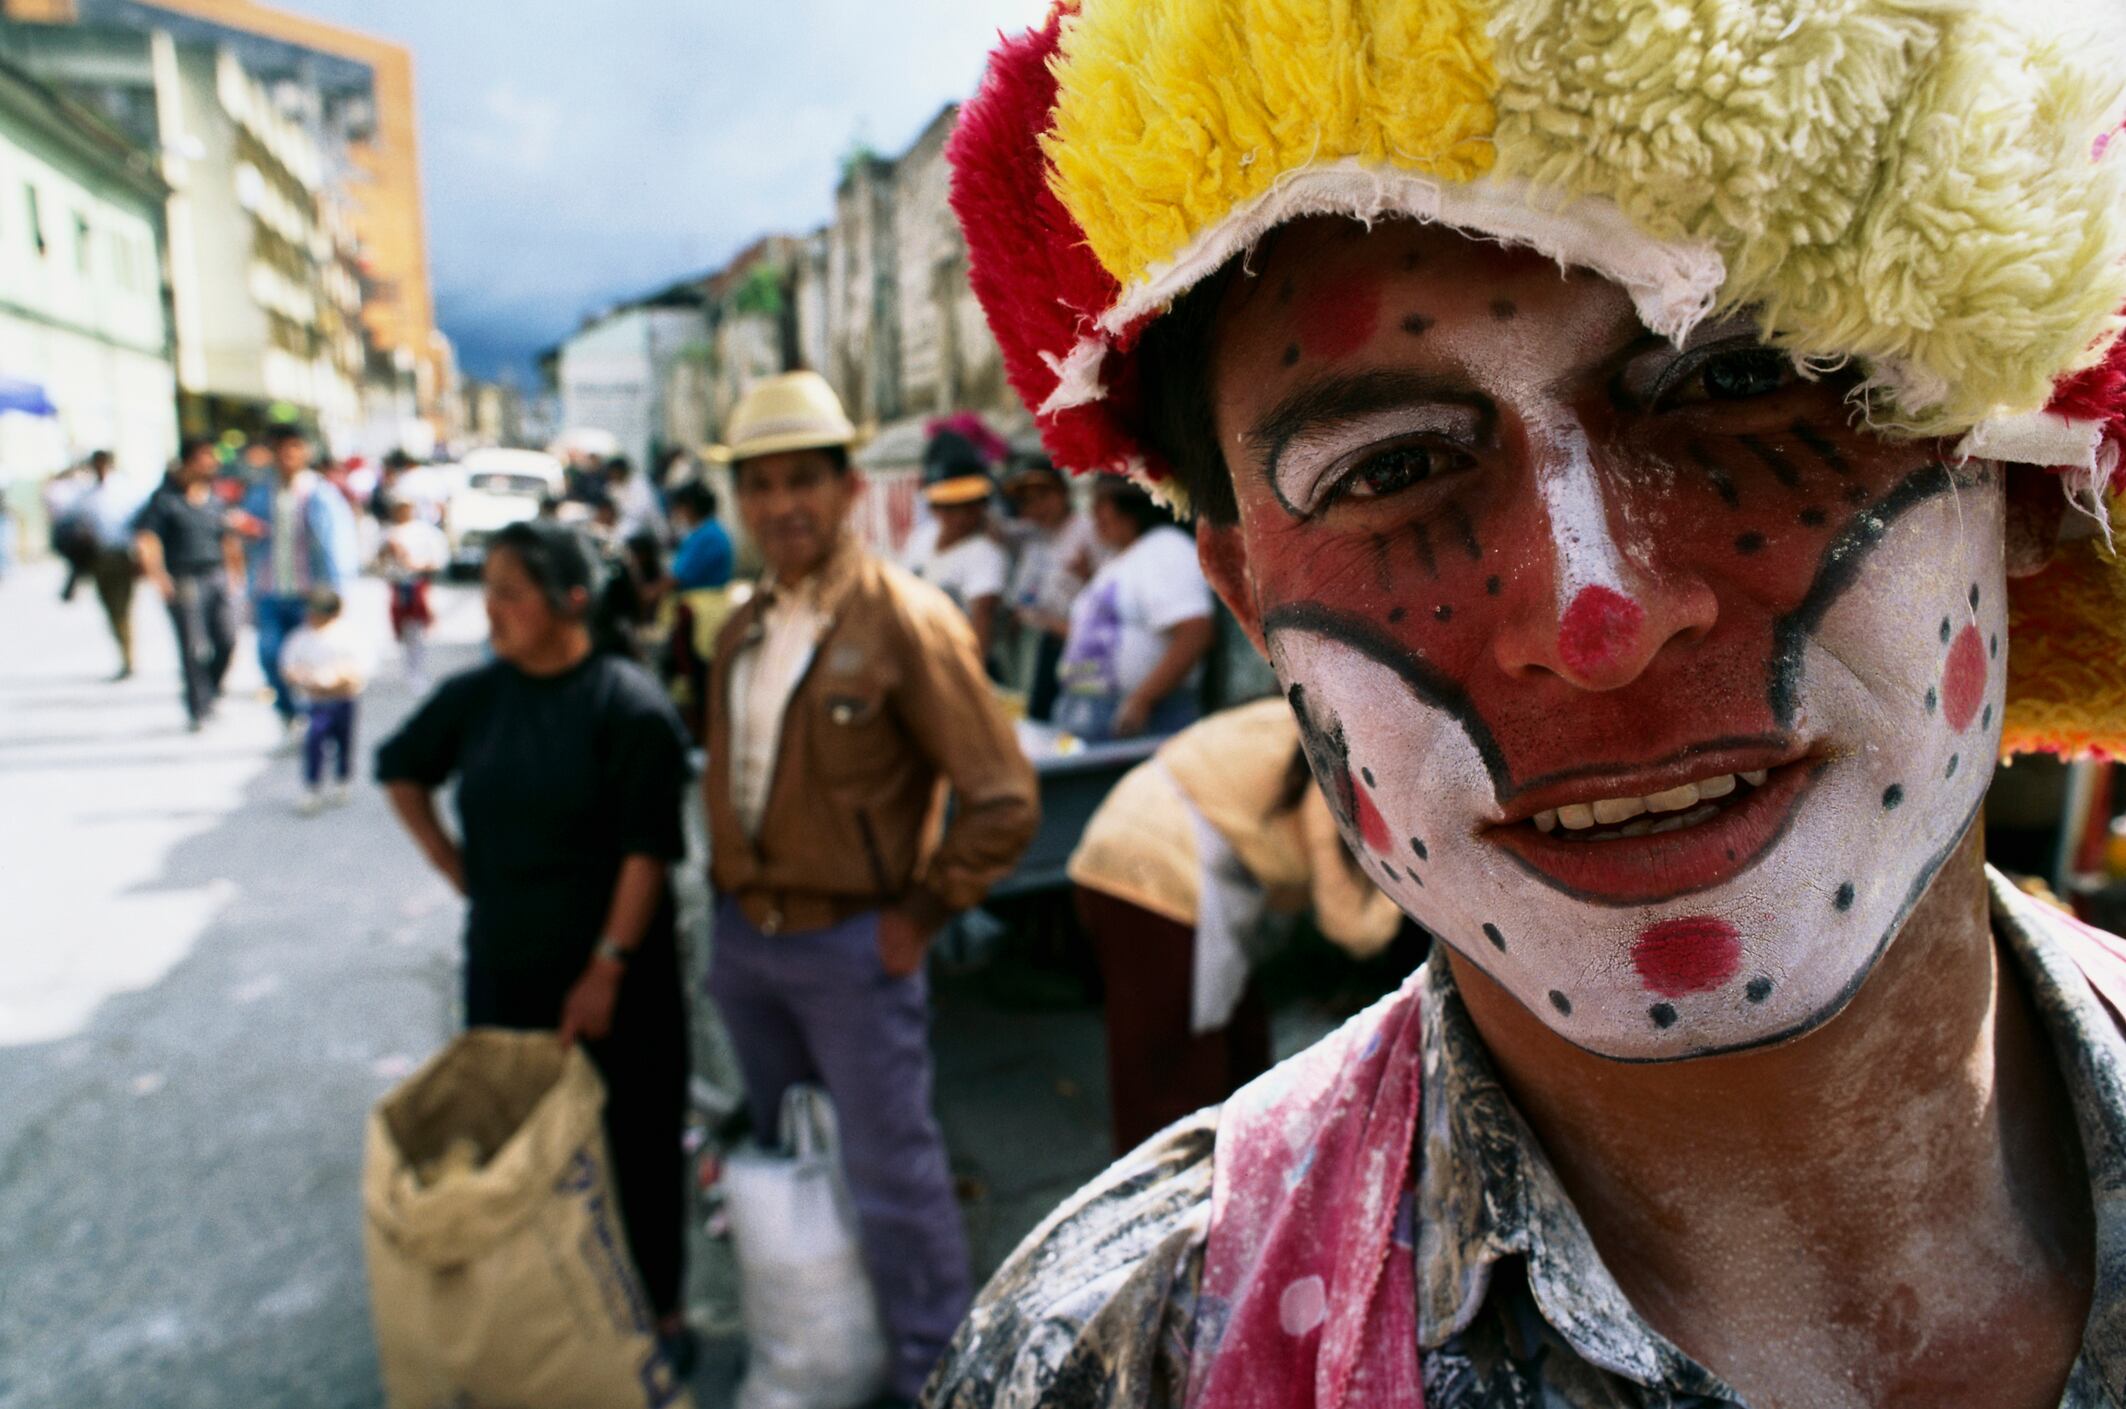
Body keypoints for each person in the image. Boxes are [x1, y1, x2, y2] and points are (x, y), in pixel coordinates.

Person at [931, 5, 2126, 1406]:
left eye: (1740, 382)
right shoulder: (1128, 1356)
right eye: (1389, 471)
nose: (1594, 621)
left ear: (2019, 464)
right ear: (1249, 603)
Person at [701, 370, 1038, 1405]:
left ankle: (933, 1374)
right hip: (746, 940)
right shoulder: (738, 627)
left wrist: (921, 915)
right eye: (759, 485)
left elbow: (1001, 798)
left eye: (802, 479)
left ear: (848, 488)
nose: (780, 505)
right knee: (787, 1162)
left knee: (892, 1174)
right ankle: (825, 1346)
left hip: (854, 945)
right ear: (740, 499)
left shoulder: (905, 617)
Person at [375, 518, 695, 1369]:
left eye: (510, 595)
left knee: (636, 1143)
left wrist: (606, 967)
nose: (492, 612)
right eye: (489, 594)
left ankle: (659, 1316)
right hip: (506, 970)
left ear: (571, 600)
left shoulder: (627, 705)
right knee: (516, 1147)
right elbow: (399, 766)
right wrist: (454, 865)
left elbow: (647, 852)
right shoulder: (479, 697)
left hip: (620, 982)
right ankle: (547, 1316)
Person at [1069, 697, 1401, 1154]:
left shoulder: (1318, 712)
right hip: (1150, 870)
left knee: (1239, 1048)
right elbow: (1351, 927)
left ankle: (1245, 1167)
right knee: (1175, 1079)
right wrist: (1422, 897)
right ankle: (1184, 1188)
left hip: (1145, 850)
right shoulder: (1343, 750)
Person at [1051, 476, 1214, 740]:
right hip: (1090, 713)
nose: (1094, 516)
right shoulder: (1118, 560)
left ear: (1130, 506)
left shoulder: (1165, 547)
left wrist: (1142, 700)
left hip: (1146, 717)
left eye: (1101, 505)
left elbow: (1195, 632)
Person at [236, 426, 359, 734]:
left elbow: (338, 546)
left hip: (309, 594)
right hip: (270, 590)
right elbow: (244, 540)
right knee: (269, 655)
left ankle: (314, 716)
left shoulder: (321, 494)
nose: (287, 455)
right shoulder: (260, 493)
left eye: (294, 447)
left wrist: (337, 592)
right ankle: (289, 712)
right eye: (281, 448)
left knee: (312, 657)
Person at [133, 438, 243, 729]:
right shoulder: (165, 499)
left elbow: (228, 538)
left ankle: (211, 691)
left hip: (216, 575)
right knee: (193, 647)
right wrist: (158, 577)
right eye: (205, 456)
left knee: (228, 638)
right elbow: (147, 539)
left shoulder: (214, 498)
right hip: (184, 578)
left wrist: (235, 573)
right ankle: (198, 708)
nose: (212, 462)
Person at [999, 455, 1097, 720]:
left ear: (1063, 492)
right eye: (1027, 501)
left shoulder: (1089, 529)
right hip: (1038, 647)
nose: (1037, 506)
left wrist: (1089, 576)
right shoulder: (1034, 539)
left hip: (1078, 646)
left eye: (1044, 495)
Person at [903, 427, 1010, 663]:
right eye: (950, 507)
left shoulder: (985, 554)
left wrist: (969, 675)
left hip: (954, 664)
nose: (961, 516)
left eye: (970, 506)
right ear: (934, 507)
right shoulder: (922, 539)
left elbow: (983, 621)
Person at [278, 586, 370, 814]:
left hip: (344, 699)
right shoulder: (301, 637)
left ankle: (342, 779)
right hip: (315, 702)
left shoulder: (347, 636)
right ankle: (312, 787)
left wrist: (337, 678)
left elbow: (360, 669)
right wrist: (304, 678)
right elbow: (288, 666)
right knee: (314, 741)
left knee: (344, 742)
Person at [64, 450, 149, 679]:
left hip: (123, 554)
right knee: (110, 607)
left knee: (123, 608)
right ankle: (125, 655)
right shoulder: (87, 493)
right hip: (99, 556)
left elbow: (142, 523)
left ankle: (129, 657)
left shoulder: (126, 489)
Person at [377, 496, 448, 688]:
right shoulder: (389, 532)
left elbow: (438, 560)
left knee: (418, 628)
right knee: (402, 629)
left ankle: (416, 671)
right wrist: (390, 552)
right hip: (399, 585)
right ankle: (408, 669)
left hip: (418, 584)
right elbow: (379, 562)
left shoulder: (424, 532)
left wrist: (416, 564)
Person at [667, 480, 733, 592]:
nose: (678, 514)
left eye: (679, 508)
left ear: (689, 508)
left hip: (703, 597)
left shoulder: (706, 537)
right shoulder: (710, 529)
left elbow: (677, 578)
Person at [604, 456, 668, 545]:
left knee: (623, 535)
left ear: (622, 470)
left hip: (648, 524)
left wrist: (623, 512)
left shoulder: (639, 482)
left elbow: (644, 510)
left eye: (614, 472)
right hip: (626, 523)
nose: (613, 476)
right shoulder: (613, 487)